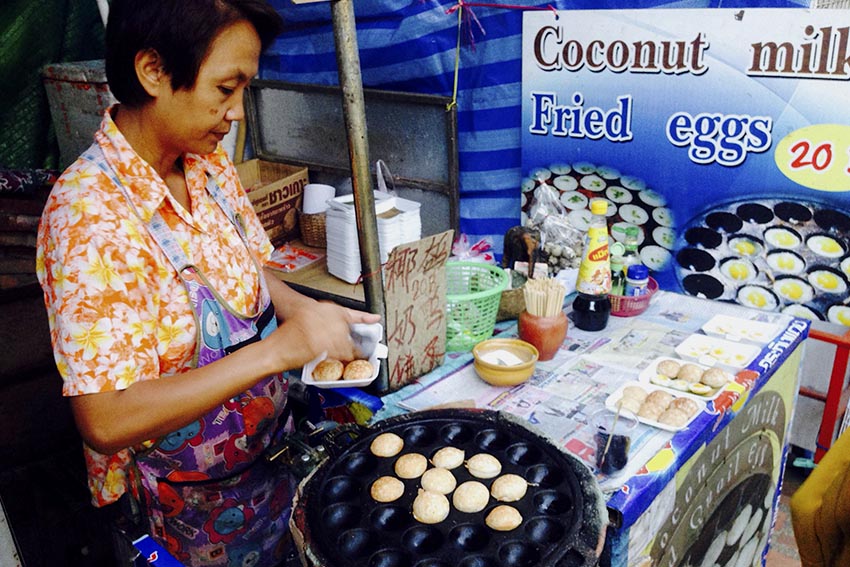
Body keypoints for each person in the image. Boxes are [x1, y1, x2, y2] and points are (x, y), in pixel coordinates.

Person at [35, 1, 381, 565]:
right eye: (226, 88)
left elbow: (250, 275)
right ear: (152, 71)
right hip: (185, 511)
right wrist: (277, 352)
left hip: (270, 463)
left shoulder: (206, 163)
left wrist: (307, 314)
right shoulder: (87, 218)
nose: (238, 113)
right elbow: (105, 419)